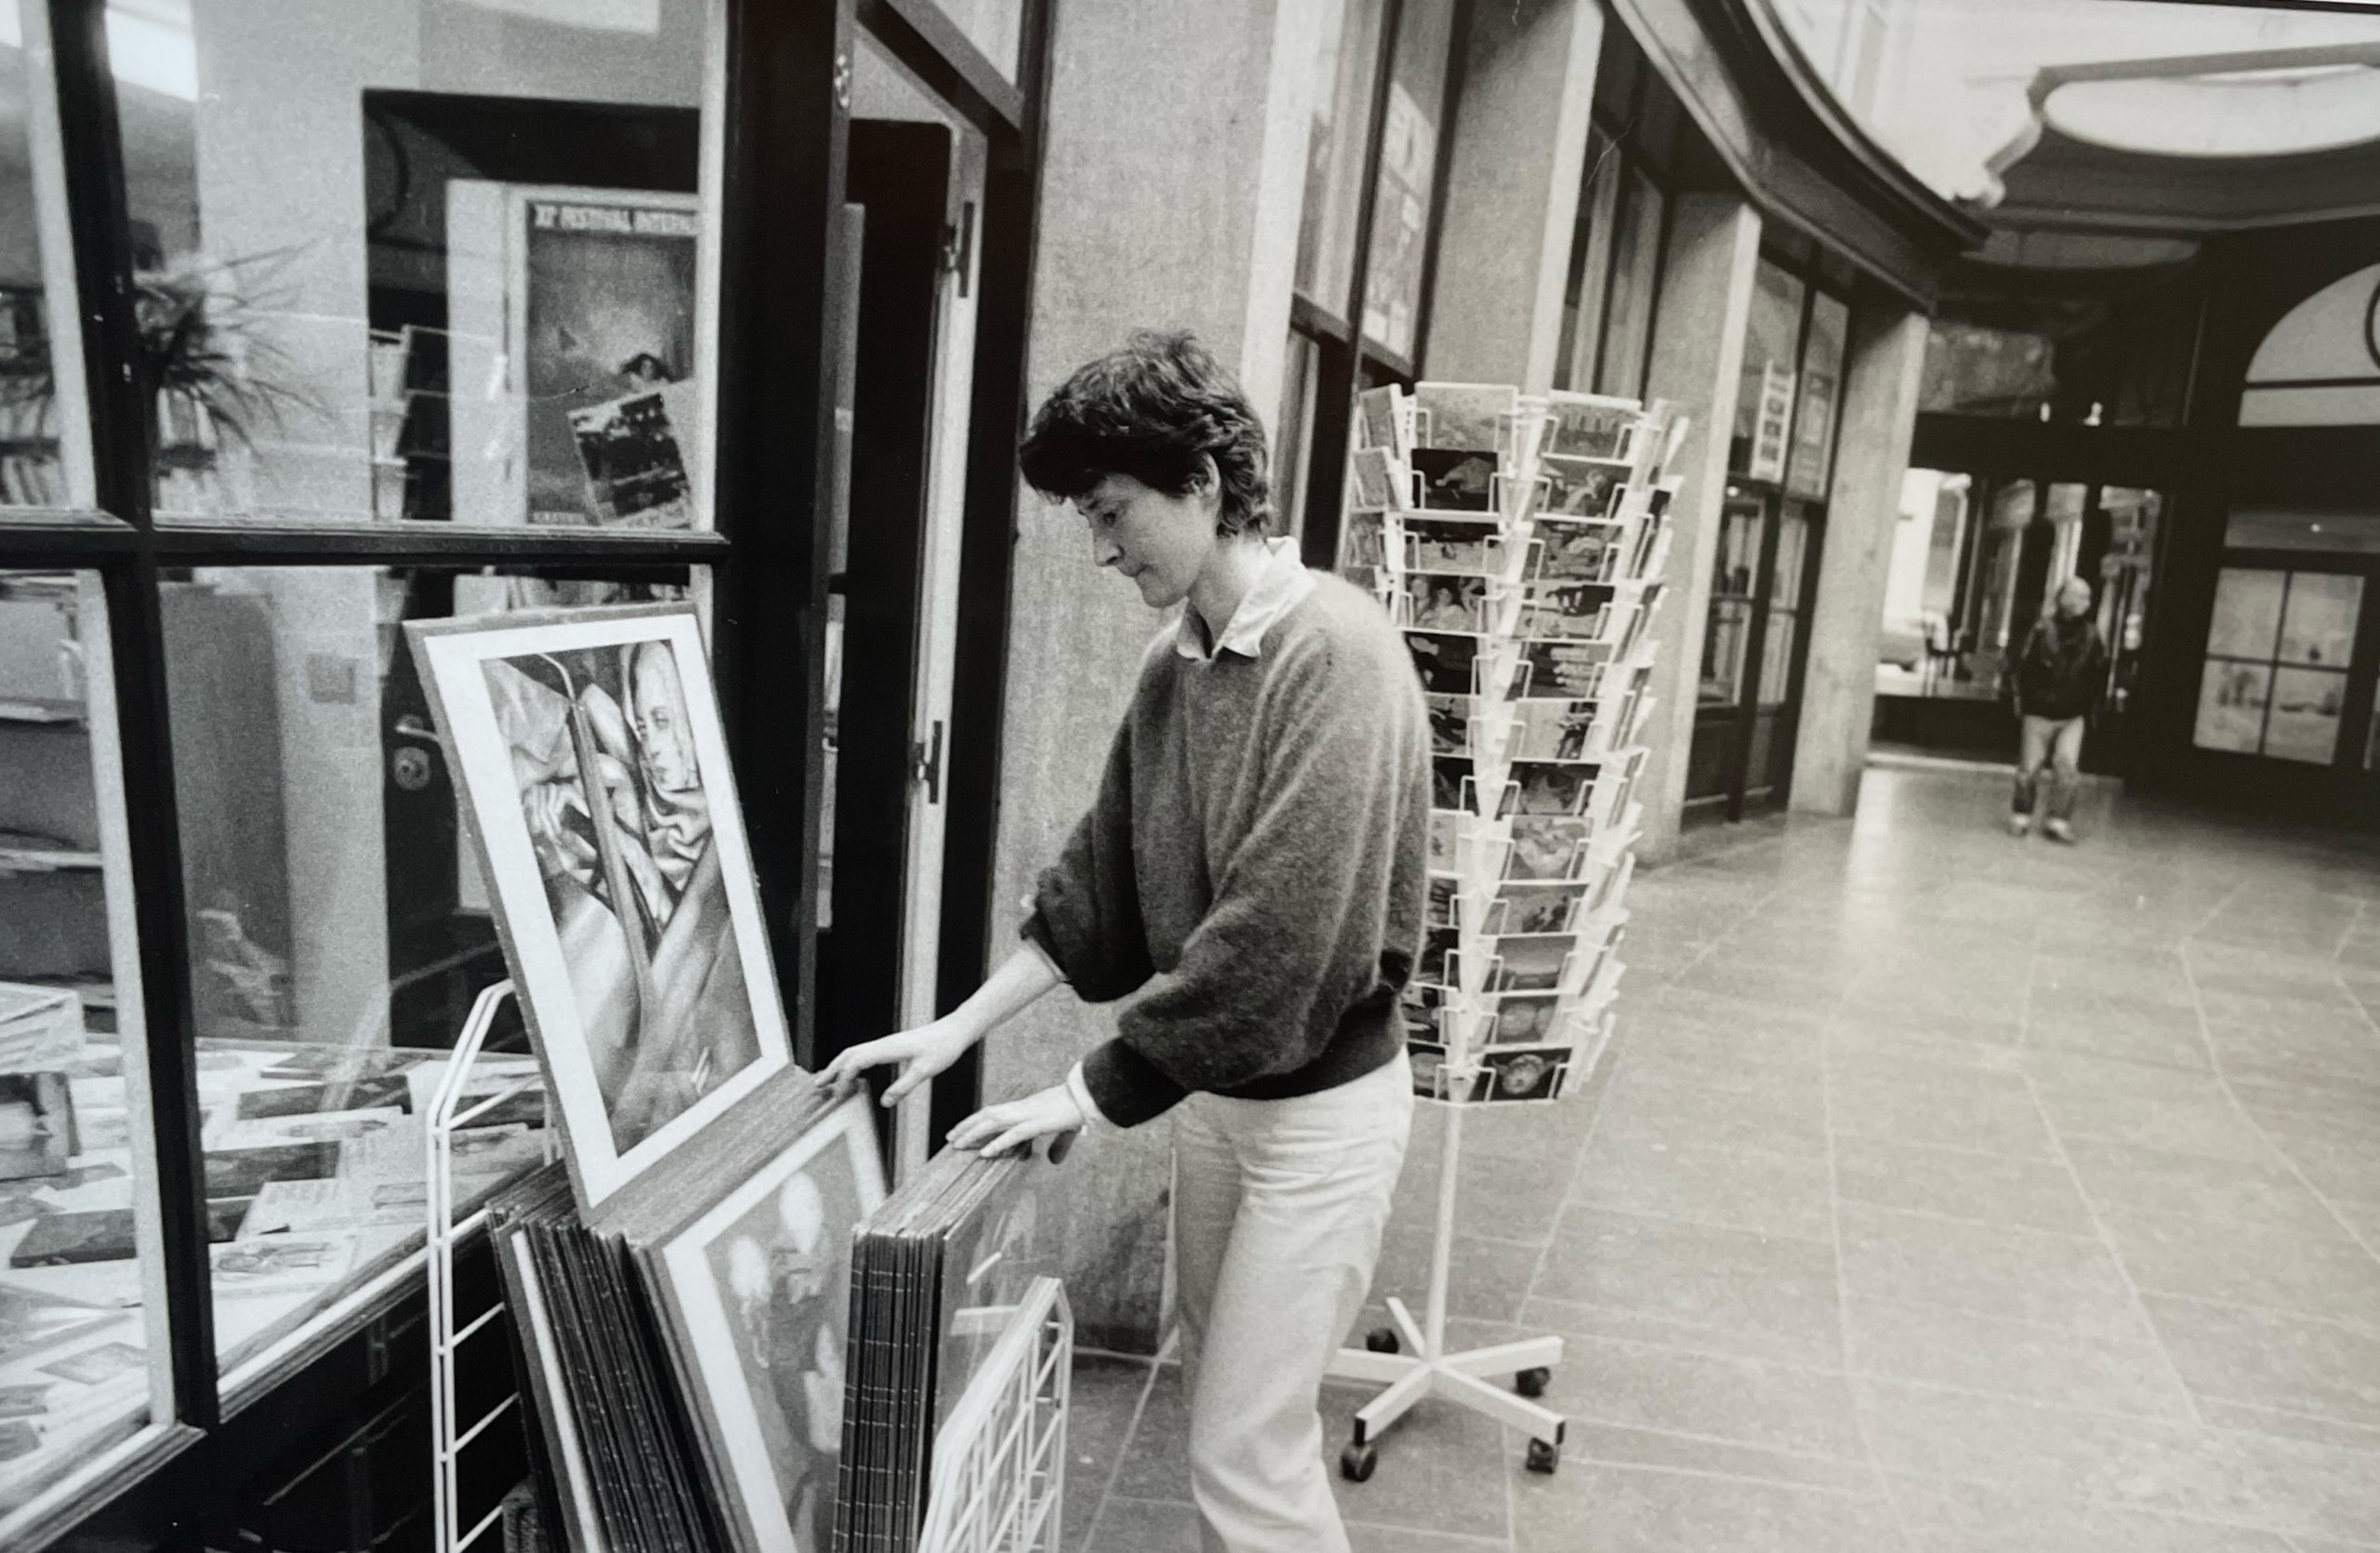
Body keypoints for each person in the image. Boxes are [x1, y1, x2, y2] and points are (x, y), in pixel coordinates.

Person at [815, 331, 1427, 1553]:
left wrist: (1086, 1094)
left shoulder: (1339, 657)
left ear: (1201, 480)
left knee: (1244, 1454)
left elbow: (1283, 944)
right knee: (1229, 1421)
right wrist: (955, 1029)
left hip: (1321, 1114)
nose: (1098, 547)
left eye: (1111, 510)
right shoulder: (1179, 661)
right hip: (1220, 1101)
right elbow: (1096, 888)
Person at [2007, 575, 2109, 843]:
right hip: (2039, 711)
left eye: (2086, 597)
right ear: (2063, 597)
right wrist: (2025, 701)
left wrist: (2091, 708)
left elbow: (2099, 674)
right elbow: (2024, 668)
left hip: (2073, 714)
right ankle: (2022, 815)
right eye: (2077, 595)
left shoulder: (2092, 634)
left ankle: (2058, 819)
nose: (2082, 602)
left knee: (2067, 767)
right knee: (2029, 767)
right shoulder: (2042, 631)